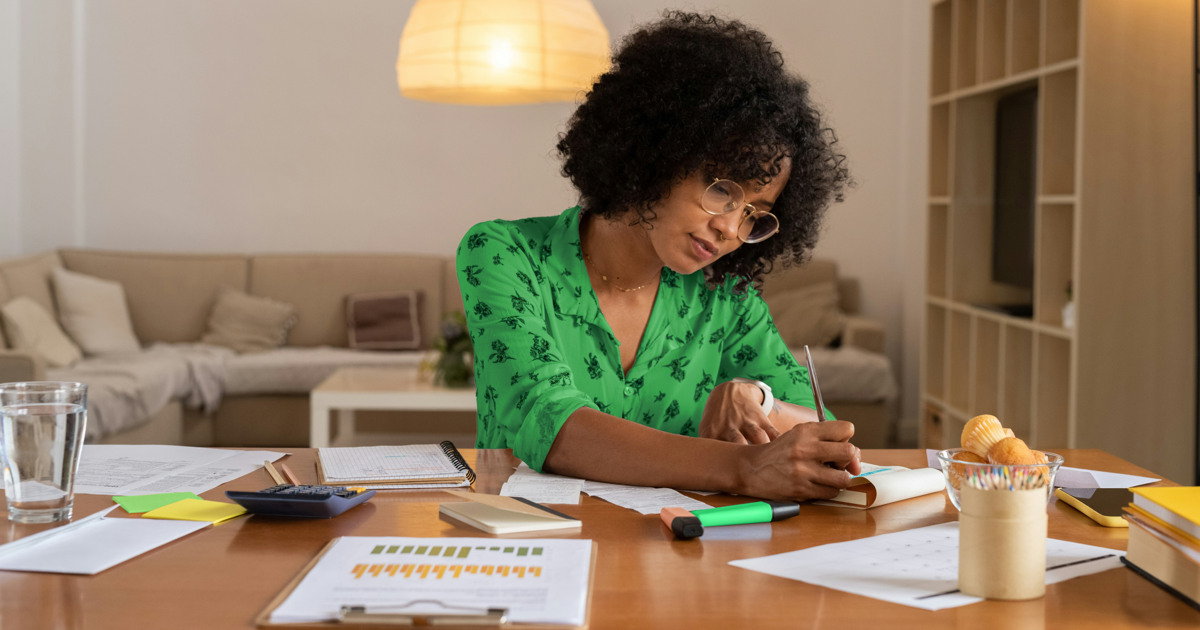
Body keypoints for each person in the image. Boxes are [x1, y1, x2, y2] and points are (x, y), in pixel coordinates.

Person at [455, 11, 859, 501]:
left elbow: (825, 428)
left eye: (755, 214)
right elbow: (547, 419)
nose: (731, 228)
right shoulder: (505, 254)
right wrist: (745, 466)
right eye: (723, 190)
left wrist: (758, 396)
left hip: (677, 552)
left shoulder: (722, 295)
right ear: (657, 154)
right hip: (529, 545)